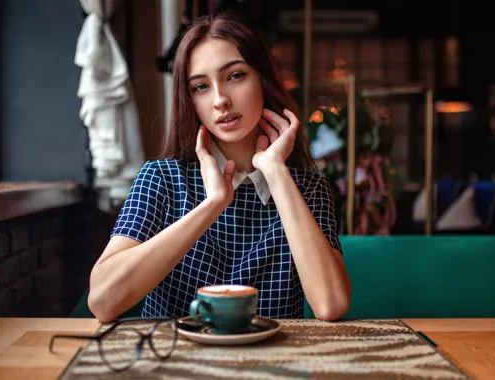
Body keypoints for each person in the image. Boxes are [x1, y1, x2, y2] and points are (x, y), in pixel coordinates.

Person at [88, 14, 351, 323]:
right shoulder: (161, 178)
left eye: (236, 76)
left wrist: (276, 173)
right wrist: (213, 204)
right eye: (201, 86)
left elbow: (331, 304)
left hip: (270, 367)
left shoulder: (309, 190)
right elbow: (103, 300)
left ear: (263, 80)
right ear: (190, 101)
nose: (220, 100)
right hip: (175, 366)